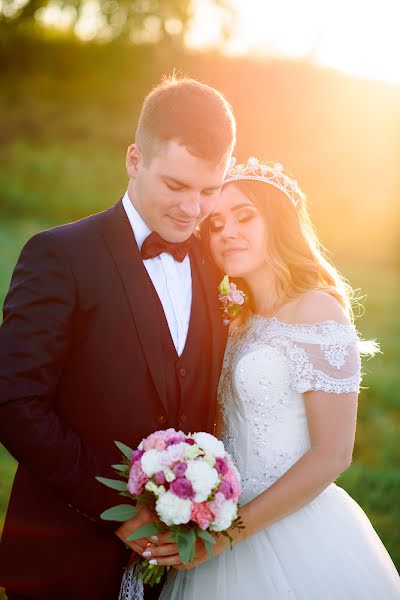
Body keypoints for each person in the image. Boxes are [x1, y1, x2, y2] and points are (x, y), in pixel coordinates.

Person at [0, 76, 236, 600]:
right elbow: (14, 401)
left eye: (209, 191)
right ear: (134, 160)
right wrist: (120, 512)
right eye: (176, 186)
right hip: (63, 557)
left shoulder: (219, 266)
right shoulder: (59, 256)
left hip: (181, 565)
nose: (192, 210)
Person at [155, 158, 400, 599]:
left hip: (289, 527)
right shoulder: (238, 319)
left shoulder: (317, 310)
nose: (226, 232)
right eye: (215, 224)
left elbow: (333, 455)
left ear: (280, 222)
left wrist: (227, 536)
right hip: (219, 516)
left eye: (245, 216)